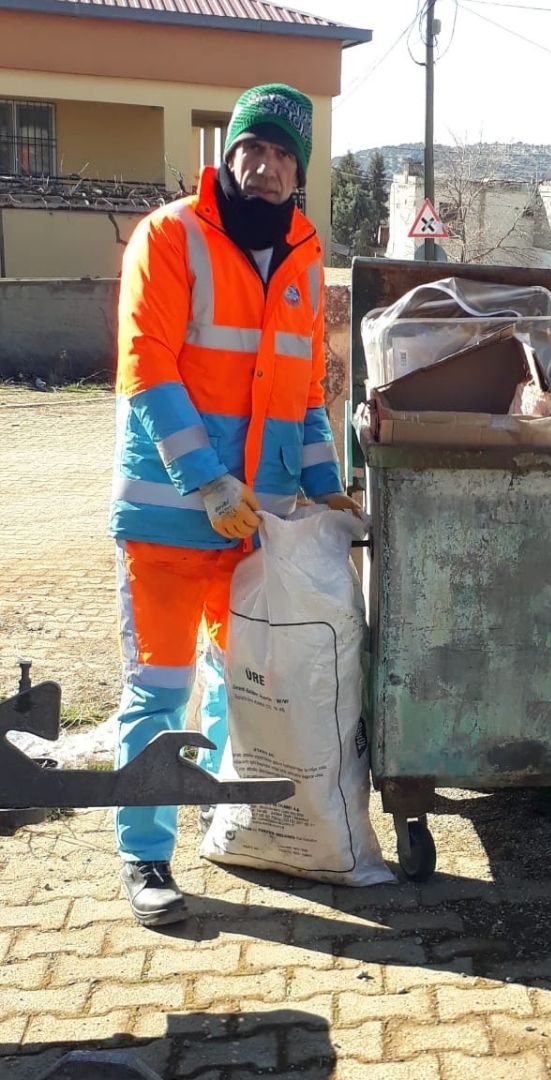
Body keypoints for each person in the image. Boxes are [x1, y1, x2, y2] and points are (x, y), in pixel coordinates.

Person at [110, 83, 361, 926]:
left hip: (257, 533)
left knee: (235, 687)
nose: (266, 168)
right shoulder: (172, 236)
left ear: (300, 174)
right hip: (173, 521)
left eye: (285, 157)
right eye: (253, 149)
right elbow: (148, 363)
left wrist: (326, 492)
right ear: (229, 154)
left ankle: (225, 818)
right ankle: (145, 857)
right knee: (159, 690)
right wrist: (207, 481)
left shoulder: (303, 258)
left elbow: (305, 395)